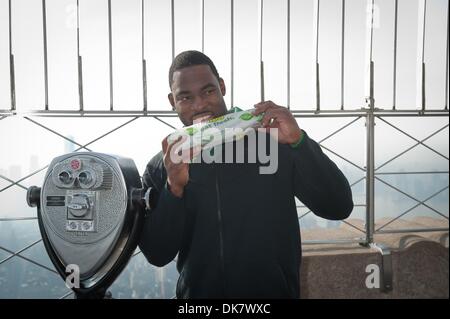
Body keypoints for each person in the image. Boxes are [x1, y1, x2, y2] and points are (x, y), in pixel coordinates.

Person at [139, 50, 353, 299]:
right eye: (185, 97)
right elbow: (157, 253)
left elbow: (338, 206)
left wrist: (299, 143)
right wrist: (173, 189)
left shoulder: (272, 142)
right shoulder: (162, 166)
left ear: (222, 86)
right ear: (172, 101)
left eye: (208, 91)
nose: (199, 105)